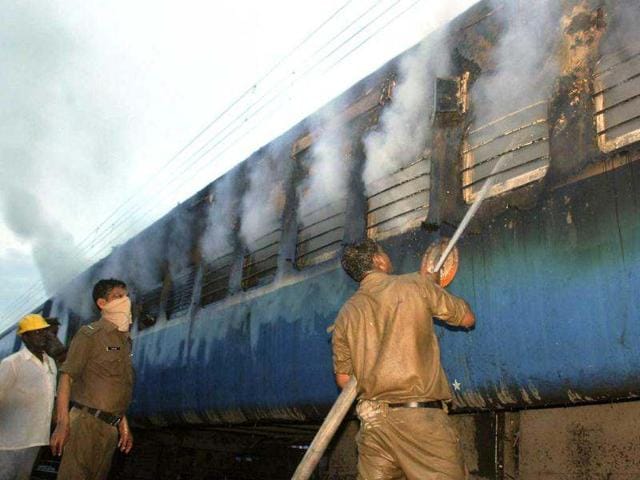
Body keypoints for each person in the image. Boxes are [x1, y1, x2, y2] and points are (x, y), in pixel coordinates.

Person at [331, 239, 475, 480]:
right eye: (384, 253)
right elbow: (468, 319)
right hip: (419, 422)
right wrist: (433, 287)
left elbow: (344, 379)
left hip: (374, 426)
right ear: (378, 260)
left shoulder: (346, 313)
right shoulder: (414, 285)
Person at [50, 278, 135, 480]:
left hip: (109, 429)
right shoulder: (90, 334)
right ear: (102, 304)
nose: (125, 301)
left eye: (126, 296)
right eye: (118, 297)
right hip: (86, 423)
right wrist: (63, 423)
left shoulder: (124, 342)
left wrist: (123, 425)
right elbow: (67, 376)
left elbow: (115, 386)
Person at [0, 314, 57, 480]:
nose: (42, 336)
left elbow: (49, 399)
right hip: (10, 441)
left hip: (36, 439)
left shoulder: (50, 363)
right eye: (36, 332)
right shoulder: (12, 363)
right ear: (24, 337)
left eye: (43, 332)